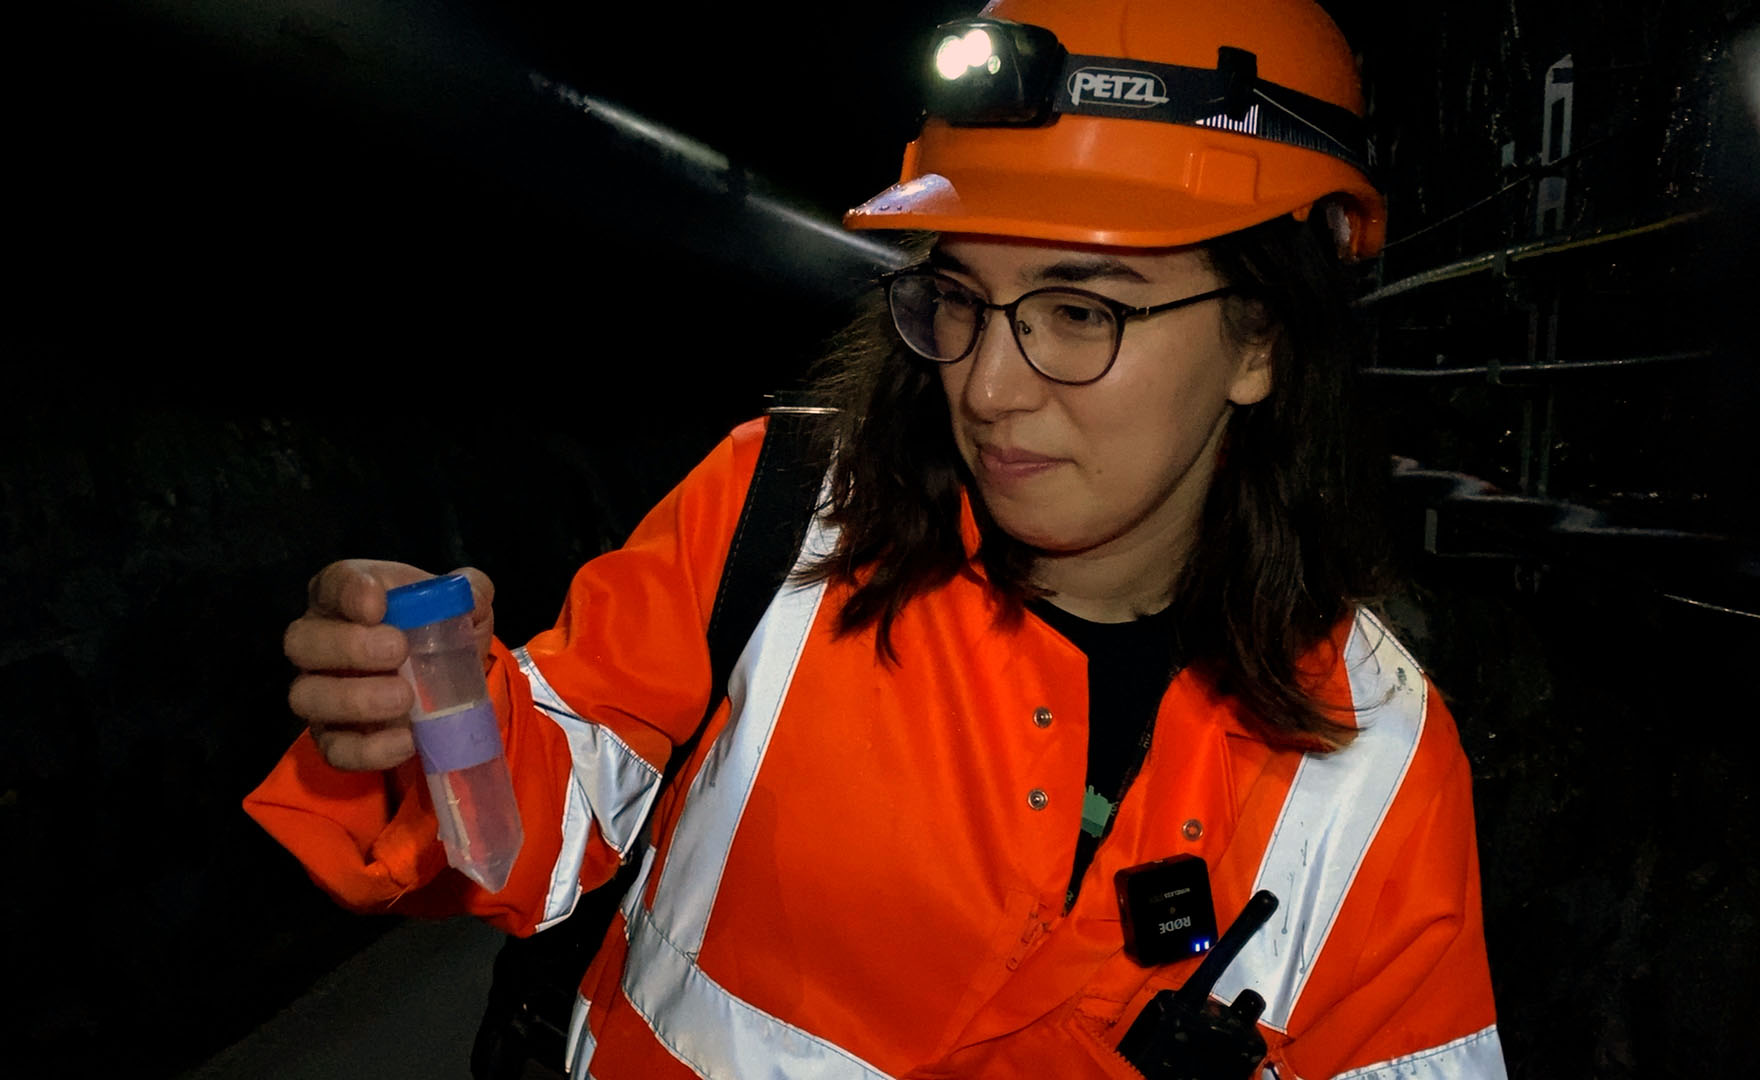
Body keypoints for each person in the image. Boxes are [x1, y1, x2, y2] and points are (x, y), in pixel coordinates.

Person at [248, 0, 1506, 1076]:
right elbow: (543, 814)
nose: (988, 389)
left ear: (1264, 340)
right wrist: (429, 729)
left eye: (1078, 311)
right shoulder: (785, 518)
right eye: (958, 296)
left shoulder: (1378, 760)